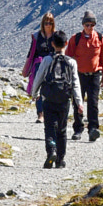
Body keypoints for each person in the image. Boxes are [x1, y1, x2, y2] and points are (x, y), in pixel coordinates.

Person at [31, 29, 78, 169]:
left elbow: (39, 77)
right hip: (64, 100)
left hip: (49, 99)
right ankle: (60, 159)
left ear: (52, 44)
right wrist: (79, 103)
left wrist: (34, 94)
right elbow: (75, 83)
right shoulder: (71, 62)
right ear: (66, 44)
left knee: (49, 127)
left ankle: (51, 150)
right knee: (62, 129)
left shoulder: (47, 60)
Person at [68, 9, 103, 143]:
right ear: (83, 25)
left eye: (92, 25)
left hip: (94, 75)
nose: (89, 27)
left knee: (93, 103)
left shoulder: (99, 38)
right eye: (87, 25)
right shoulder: (75, 39)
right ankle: (78, 129)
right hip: (79, 75)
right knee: (77, 102)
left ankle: (93, 129)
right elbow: (68, 58)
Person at [22, 12, 57, 124]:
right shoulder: (37, 37)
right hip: (38, 65)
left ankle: (50, 113)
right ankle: (40, 114)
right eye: (46, 23)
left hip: (52, 65)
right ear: (42, 23)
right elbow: (31, 52)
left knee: (51, 89)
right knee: (38, 89)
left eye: (50, 23)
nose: (48, 25)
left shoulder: (56, 36)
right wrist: (27, 67)